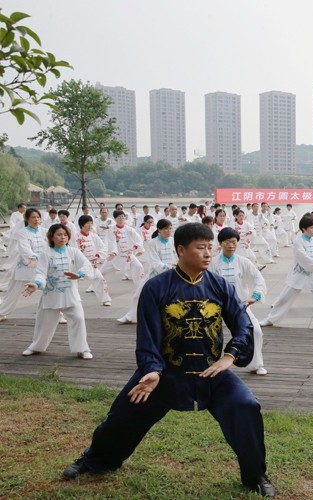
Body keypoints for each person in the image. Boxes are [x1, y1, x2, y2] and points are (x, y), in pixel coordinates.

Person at [60, 223, 275, 497]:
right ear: (181, 250)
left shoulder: (221, 286)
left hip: (211, 374)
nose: (209, 254)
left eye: (211, 248)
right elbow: (147, 335)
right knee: (122, 415)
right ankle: (96, 461)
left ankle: (255, 475)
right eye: (201, 248)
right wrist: (151, 370)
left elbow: (243, 324)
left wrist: (230, 356)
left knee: (245, 407)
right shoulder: (156, 288)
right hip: (164, 374)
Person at [19, 223, 93, 359]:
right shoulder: (45, 254)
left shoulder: (74, 252)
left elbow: (87, 264)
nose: (62, 237)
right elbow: (41, 273)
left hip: (70, 295)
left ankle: (82, 349)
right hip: (51, 295)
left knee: (78, 319)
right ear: (52, 237)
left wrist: (80, 274)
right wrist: (36, 284)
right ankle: (36, 347)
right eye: (59, 234)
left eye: (65, 235)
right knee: (44, 324)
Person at [211, 227, 268, 376]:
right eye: (227, 242)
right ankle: (209, 364)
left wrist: (255, 296)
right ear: (220, 244)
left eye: (234, 242)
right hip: (215, 307)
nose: (231, 245)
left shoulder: (244, 262)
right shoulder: (212, 263)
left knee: (255, 330)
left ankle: (257, 364)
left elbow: (258, 279)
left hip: (240, 305)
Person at [0, 208, 46, 321]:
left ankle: (56, 313)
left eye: (38, 217)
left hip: (41, 267)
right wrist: (35, 257)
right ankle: (2, 312)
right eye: (33, 217)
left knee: (50, 287)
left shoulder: (44, 231)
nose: (36, 220)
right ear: (27, 219)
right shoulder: (23, 232)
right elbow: (25, 250)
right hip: (25, 267)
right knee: (13, 293)